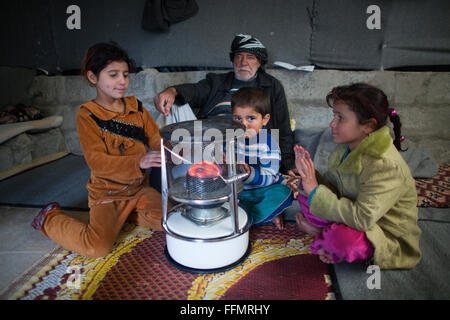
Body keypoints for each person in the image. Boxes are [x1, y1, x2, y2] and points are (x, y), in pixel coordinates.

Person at [31, 42, 165, 258]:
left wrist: (174, 150)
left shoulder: (136, 106)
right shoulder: (88, 115)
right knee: (97, 247)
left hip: (139, 190)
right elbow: (97, 162)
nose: (122, 81)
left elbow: (155, 139)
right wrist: (139, 161)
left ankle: (126, 216)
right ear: (93, 78)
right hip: (108, 194)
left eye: (125, 74)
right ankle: (49, 218)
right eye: (113, 75)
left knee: (172, 222)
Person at [293, 83, 421, 269]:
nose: (332, 124)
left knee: (341, 240)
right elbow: (336, 186)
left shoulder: (385, 166)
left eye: (340, 118)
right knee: (306, 196)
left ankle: (322, 235)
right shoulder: (348, 147)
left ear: (368, 126)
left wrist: (315, 190)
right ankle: (327, 233)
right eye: (334, 116)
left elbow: (363, 218)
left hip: (382, 232)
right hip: (353, 212)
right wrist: (309, 177)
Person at [154, 34, 295, 174]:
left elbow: (283, 128)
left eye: (250, 57)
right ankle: (169, 166)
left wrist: (288, 166)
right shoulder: (217, 82)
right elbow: (194, 91)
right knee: (173, 104)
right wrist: (171, 91)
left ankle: (195, 170)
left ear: (259, 63)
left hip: (248, 146)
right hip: (206, 143)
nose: (243, 62)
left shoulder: (272, 86)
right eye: (239, 56)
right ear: (233, 60)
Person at [232, 87, 293, 230]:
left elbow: (269, 176)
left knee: (284, 193)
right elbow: (222, 165)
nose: (243, 124)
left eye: (251, 118)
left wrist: (249, 173)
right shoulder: (229, 140)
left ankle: (249, 219)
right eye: (237, 118)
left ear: (265, 120)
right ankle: (264, 215)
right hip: (240, 192)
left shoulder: (269, 143)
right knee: (221, 198)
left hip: (265, 189)